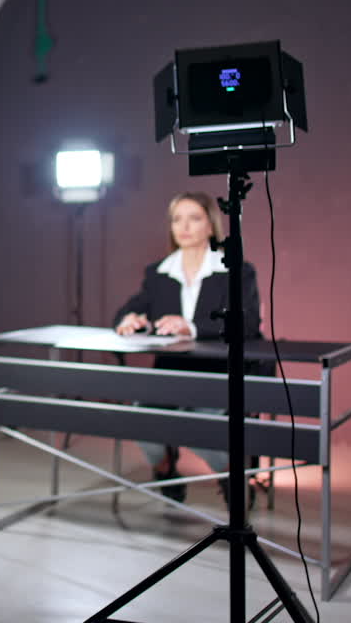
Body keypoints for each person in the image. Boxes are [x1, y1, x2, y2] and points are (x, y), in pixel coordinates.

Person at [114, 191, 263, 505]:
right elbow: (130, 309)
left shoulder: (237, 270)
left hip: (220, 374)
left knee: (203, 425)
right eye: (177, 219)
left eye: (193, 218)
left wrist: (191, 327)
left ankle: (232, 477)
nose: (183, 227)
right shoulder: (159, 273)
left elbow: (247, 323)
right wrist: (128, 319)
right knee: (141, 417)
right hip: (171, 374)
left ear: (211, 225)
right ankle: (165, 467)